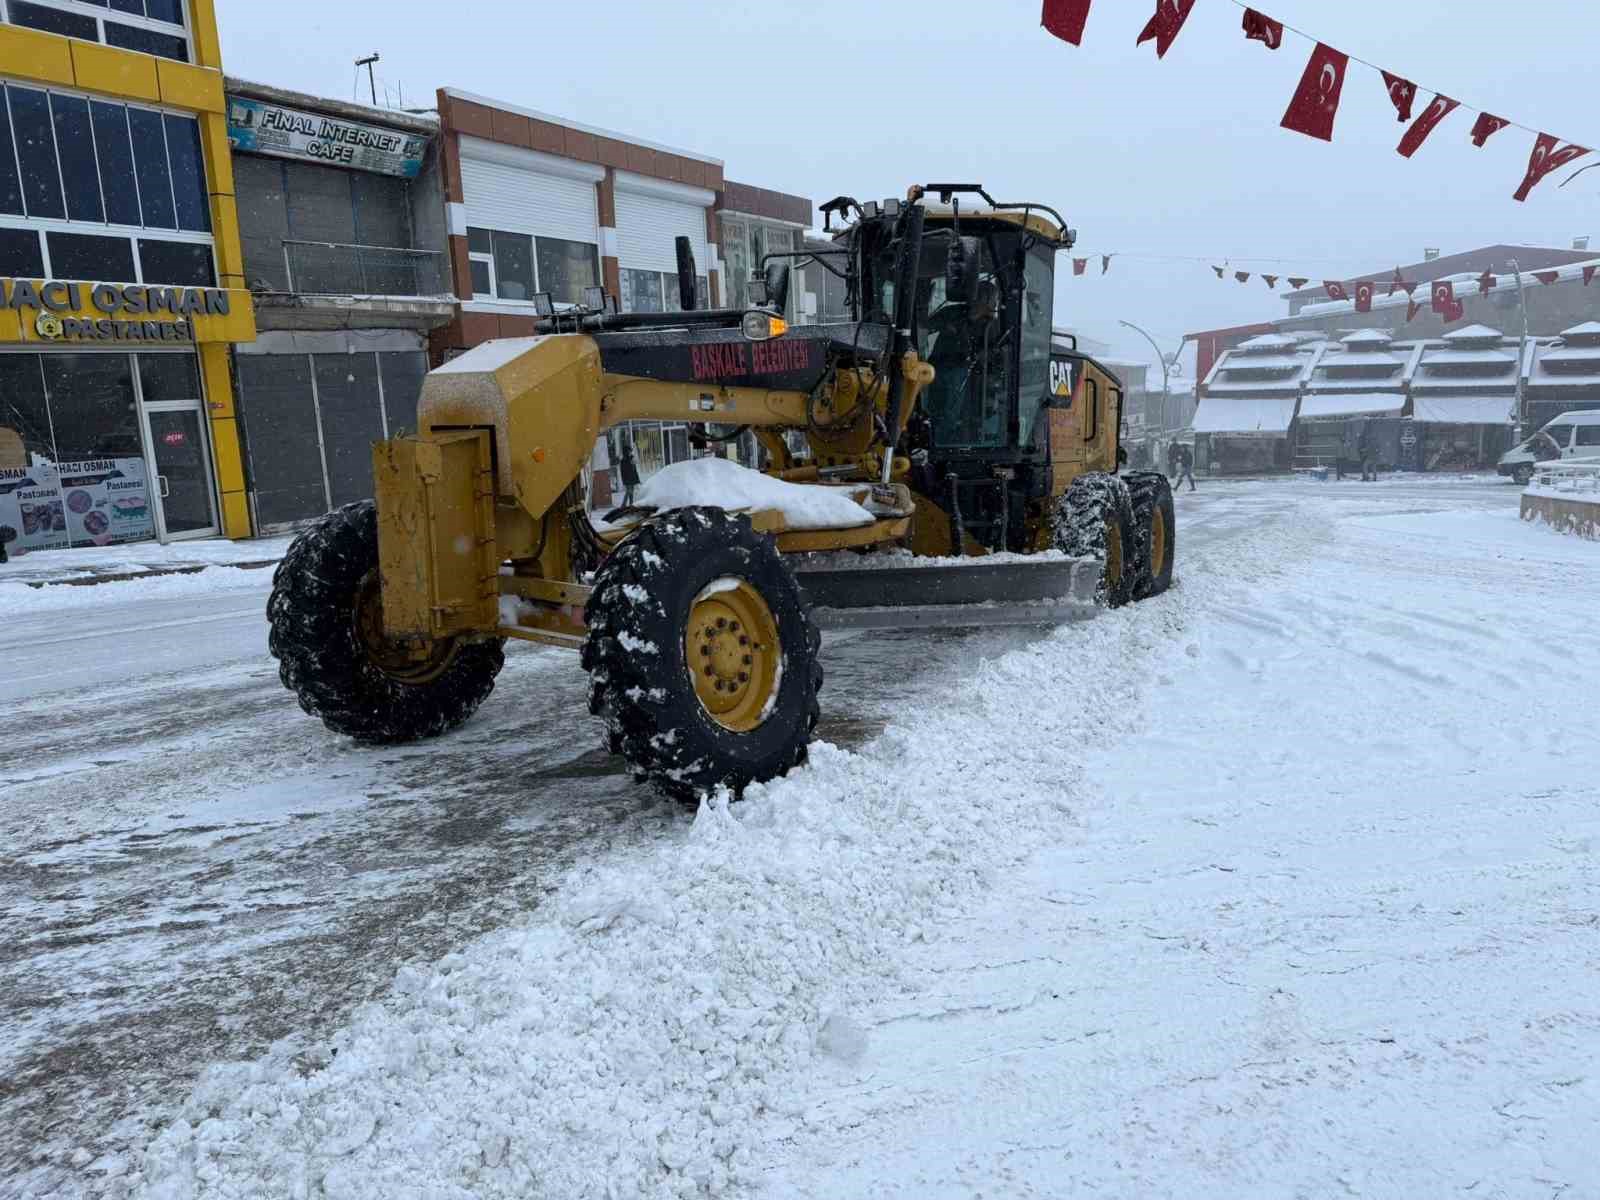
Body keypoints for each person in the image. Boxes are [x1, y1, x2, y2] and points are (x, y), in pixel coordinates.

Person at [618, 442, 641, 506]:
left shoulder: (631, 459)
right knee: (628, 491)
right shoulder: (624, 460)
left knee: (631, 493)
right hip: (627, 479)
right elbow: (623, 472)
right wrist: (624, 480)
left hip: (632, 478)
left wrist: (637, 479)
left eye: (630, 451)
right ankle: (623, 505)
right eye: (629, 451)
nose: (630, 452)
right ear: (626, 452)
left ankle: (631, 504)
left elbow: (634, 470)